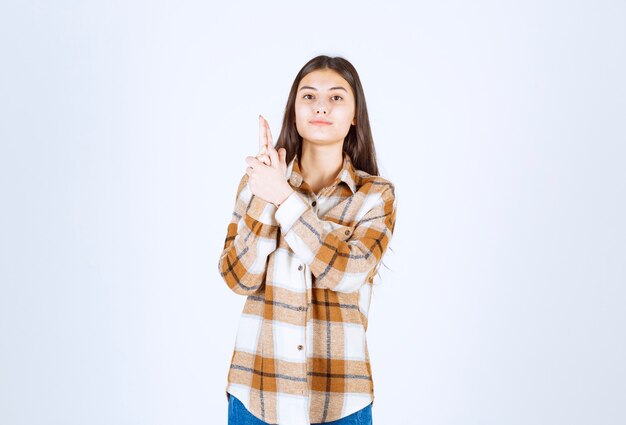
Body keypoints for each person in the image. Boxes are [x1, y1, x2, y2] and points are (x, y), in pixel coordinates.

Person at [217, 55, 397, 425]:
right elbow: (239, 277)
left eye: (336, 98)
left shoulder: (375, 196)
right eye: (309, 96)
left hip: (339, 401)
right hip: (256, 396)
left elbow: (345, 273)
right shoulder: (257, 183)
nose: (321, 106)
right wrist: (268, 195)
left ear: (354, 116)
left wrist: (285, 198)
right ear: (294, 112)